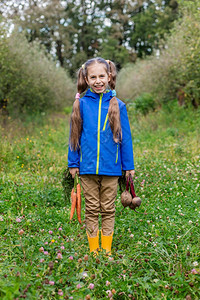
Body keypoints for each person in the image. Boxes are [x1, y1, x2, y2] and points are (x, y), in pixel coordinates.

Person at [68, 57, 135, 255]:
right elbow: (74, 136)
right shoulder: (80, 105)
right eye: (93, 77)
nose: (98, 81)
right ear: (86, 79)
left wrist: (128, 166)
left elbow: (126, 139)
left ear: (109, 76)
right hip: (87, 167)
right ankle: (93, 250)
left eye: (102, 76)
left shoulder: (118, 105)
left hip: (111, 168)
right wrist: (73, 162)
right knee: (91, 209)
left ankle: (106, 250)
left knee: (108, 209)